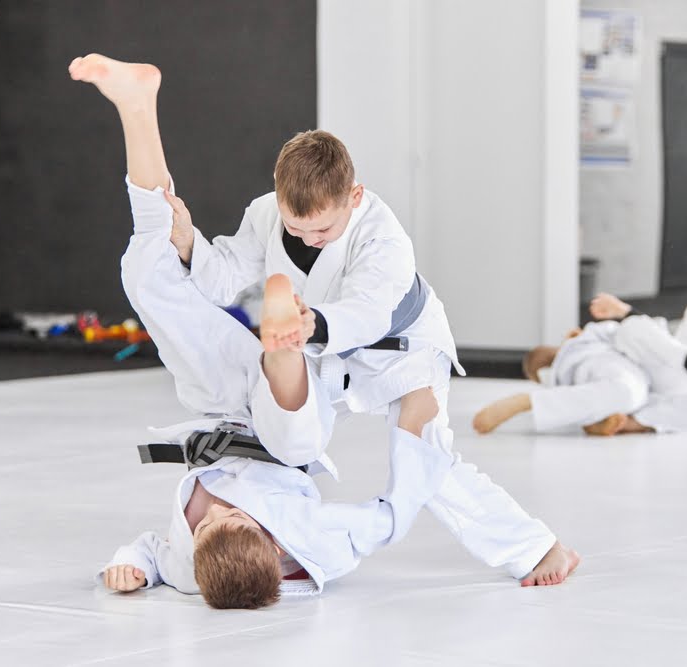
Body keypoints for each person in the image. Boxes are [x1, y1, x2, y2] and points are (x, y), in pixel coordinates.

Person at [74, 54, 579, 608]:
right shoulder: (266, 213)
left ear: (354, 197)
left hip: (398, 350)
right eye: (296, 226)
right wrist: (192, 243)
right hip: (307, 348)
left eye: (323, 229)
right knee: (155, 272)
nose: (308, 238)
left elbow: (367, 311)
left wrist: (307, 325)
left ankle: (537, 549)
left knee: (427, 467)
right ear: (276, 195)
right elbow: (229, 276)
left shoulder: (384, 239)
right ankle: (138, 107)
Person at [473, 293, 687, 436]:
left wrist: (623, 314)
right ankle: (632, 420)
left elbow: (646, 333)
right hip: (656, 375)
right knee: (665, 400)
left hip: (663, 367)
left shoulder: (590, 341)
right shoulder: (580, 360)